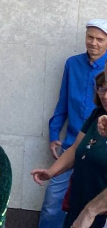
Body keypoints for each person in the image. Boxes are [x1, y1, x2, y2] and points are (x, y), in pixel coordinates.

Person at [39, 19, 107, 228]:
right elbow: (63, 101)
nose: (93, 43)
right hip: (73, 143)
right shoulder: (72, 64)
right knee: (53, 204)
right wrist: (53, 135)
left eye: (100, 39)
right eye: (90, 37)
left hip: (99, 161)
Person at [32, 71, 107, 228]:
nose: (105, 96)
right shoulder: (97, 115)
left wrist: (91, 211)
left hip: (99, 211)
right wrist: (51, 172)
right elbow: (75, 149)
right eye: (102, 88)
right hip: (79, 203)